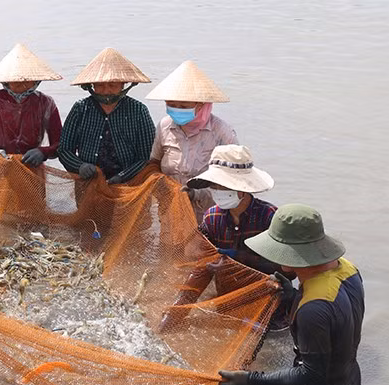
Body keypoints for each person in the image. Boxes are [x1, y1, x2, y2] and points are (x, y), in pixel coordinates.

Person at [218, 204, 364, 385]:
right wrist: (292, 297)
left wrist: (252, 380)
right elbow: (338, 328)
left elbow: (311, 375)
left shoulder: (313, 310)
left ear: (290, 254)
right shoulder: (348, 270)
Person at [159, 145, 293, 331]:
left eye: (222, 185)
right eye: (214, 185)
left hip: (270, 308)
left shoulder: (270, 218)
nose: (216, 190)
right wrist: (173, 316)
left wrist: (239, 260)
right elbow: (201, 270)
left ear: (242, 189)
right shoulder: (212, 219)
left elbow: (290, 270)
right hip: (229, 306)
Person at [146, 61, 238, 223]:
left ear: (201, 104)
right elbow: (154, 162)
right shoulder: (165, 126)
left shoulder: (222, 133)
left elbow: (233, 180)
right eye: (171, 105)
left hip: (209, 215)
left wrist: (195, 194)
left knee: (205, 247)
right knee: (170, 246)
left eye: (184, 106)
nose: (177, 110)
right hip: (171, 209)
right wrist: (158, 185)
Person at [59, 48, 156, 185]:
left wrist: (123, 177)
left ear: (123, 84)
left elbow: (146, 157)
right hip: (88, 182)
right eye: (100, 85)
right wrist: (80, 166)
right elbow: (64, 150)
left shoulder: (138, 110)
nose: (106, 91)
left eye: (112, 85)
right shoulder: (80, 108)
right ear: (91, 85)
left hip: (129, 184)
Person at [0, 43, 63, 166]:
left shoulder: (46, 104)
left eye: (27, 80)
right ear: (6, 81)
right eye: (16, 80)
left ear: (36, 81)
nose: (21, 83)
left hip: (31, 167)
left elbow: (60, 145)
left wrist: (43, 152)